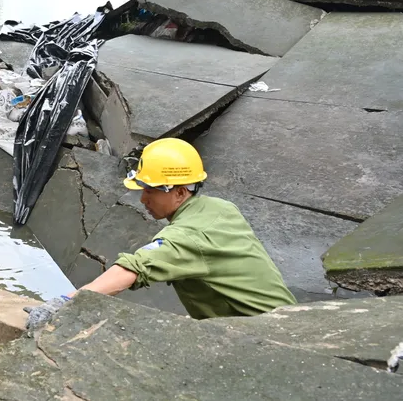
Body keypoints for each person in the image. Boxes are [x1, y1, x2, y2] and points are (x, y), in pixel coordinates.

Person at [26, 138, 295, 330]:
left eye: (150, 190)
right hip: (293, 321)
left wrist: (65, 303)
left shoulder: (188, 237)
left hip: (268, 337)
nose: (143, 199)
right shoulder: (221, 209)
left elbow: (133, 268)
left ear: (180, 192)